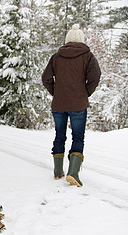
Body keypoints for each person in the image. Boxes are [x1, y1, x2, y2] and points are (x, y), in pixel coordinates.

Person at [42, 24, 101, 187]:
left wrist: (56, 92)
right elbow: (95, 77)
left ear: (67, 40)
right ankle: (73, 173)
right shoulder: (87, 56)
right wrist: (84, 93)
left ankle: (57, 172)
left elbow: (46, 78)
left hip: (59, 103)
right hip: (78, 103)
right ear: (81, 40)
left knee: (59, 134)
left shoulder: (56, 56)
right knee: (78, 136)